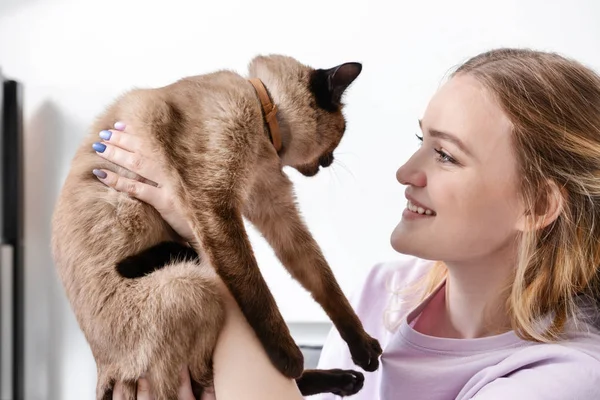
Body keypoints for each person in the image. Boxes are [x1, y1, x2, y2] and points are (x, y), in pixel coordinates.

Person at [95, 48, 600, 399]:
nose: (405, 172)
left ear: (536, 206)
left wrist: (199, 229)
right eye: (420, 139)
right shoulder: (380, 294)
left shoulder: (567, 377)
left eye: (445, 155)